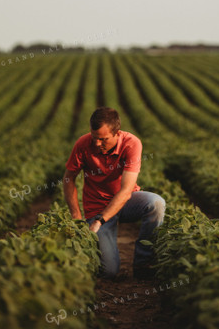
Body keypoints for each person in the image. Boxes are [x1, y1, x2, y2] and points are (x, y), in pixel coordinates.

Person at [63, 107, 166, 279]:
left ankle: (143, 263)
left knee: (156, 203)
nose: (97, 144)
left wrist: (99, 221)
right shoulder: (83, 144)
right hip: (97, 206)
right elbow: (68, 178)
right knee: (110, 271)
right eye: (94, 138)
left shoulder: (131, 143)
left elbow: (126, 191)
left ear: (117, 133)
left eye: (103, 140)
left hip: (126, 202)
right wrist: (76, 215)